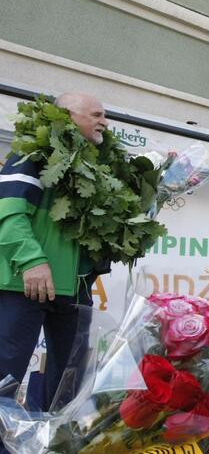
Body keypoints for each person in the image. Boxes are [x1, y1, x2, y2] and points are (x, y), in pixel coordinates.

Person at [0, 93, 112, 413]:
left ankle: (54, 442)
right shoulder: (32, 153)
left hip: (74, 289)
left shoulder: (93, 167)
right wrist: (32, 261)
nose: (105, 121)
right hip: (25, 283)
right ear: (67, 116)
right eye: (96, 114)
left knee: (70, 381)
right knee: (5, 375)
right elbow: (7, 212)